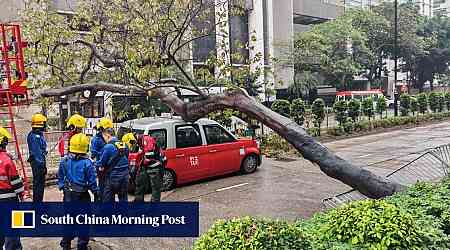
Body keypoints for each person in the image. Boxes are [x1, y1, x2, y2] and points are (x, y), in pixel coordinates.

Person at [58, 133, 99, 250]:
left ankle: (66, 244)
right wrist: (96, 192)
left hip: (68, 195)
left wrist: (62, 186)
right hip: (82, 196)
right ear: (85, 147)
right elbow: (92, 182)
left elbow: (60, 176)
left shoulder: (64, 161)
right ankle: (82, 245)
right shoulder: (87, 163)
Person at [0, 127, 24, 250]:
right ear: (3, 142)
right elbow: (16, 182)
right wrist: (22, 195)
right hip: (9, 201)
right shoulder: (6, 160)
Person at [96, 128, 129, 202]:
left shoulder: (108, 147)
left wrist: (96, 163)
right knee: (123, 198)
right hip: (125, 176)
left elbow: (102, 163)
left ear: (107, 135)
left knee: (108, 198)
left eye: (104, 137)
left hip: (113, 176)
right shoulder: (124, 144)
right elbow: (126, 156)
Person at [134, 134, 165, 202]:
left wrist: (144, 161)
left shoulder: (146, 140)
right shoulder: (157, 147)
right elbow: (164, 160)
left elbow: (148, 156)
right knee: (155, 190)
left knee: (141, 187)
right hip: (153, 169)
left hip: (150, 168)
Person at [27, 113, 48, 202]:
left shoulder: (38, 134)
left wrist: (44, 151)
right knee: (39, 185)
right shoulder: (35, 137)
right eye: (44, 123)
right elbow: (37, 154)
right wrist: (42, 166)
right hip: (37, 164)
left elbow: (40, 149)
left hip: (38, 162)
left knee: (39, 185)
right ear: (40, 124)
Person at [91, 118, 113, 199]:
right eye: (107, 129)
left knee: (108, 183)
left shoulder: (108, 137)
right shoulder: (96, 139)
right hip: (100, 164)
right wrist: (102, 153)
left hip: (109, 163)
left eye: (109, 129)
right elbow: (93, 153)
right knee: (102, 183)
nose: (108, 131)